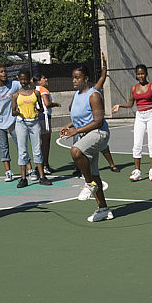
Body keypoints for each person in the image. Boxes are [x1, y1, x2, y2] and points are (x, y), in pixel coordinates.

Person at [60, 65, 114, 222]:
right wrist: (69, 126)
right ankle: (103, 209)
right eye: (73, 78)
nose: (74, 81)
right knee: (94, 172)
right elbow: (80, 117)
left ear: (86, 79)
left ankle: (88, 184)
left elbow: (98, 121)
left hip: (99, 134)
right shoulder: (77, 95)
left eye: (77, 78)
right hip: (85, 134)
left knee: (76, 151)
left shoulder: (94, 95)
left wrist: (75, 131)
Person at [112, 65, 152, 181]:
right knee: (137, 144)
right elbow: (130, 104)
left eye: (142, 73)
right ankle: (137, 171)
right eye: (138, 74)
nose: (140, 76)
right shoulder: (133, 88)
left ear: (146, 74)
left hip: (151, 115)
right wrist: (119, 105)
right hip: (140, 116)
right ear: (136, 75)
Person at [11, 70, 51, 187]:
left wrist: (38, 110)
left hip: (34, 122)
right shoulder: (16, 95)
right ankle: (23, 178)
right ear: (18, 79)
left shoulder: (36, 93)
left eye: (25, 79)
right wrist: (17, 112)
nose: (23, 81)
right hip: (21, 123)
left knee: (37, 149)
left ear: (30, 80)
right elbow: (13, 112)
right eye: (21, 79)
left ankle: (42, 176)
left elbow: (41, 108)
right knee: (22, 150)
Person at [34, 72, 60, 174]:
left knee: (39, 142)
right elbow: (47, 103)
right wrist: (56, 104)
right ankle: (44, 165)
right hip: (44, 117)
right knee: (45, 142)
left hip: (37, 117)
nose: (46, 79)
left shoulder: (34, 90)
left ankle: (41, 164)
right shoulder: (43, 89)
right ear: (39, 81)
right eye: (44, 78)